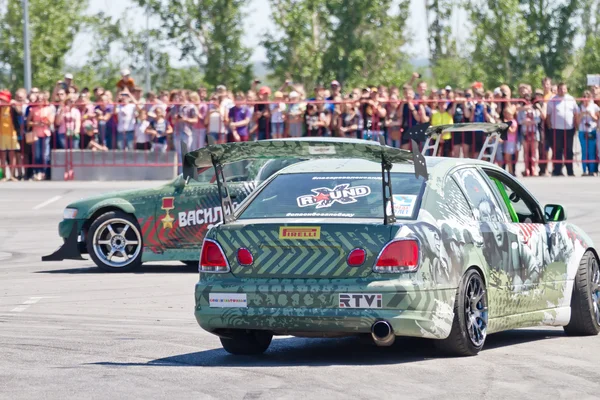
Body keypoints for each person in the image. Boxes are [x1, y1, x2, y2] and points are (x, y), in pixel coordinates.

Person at [546, 83, 580, 176]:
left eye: (564, 89)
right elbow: (548, 115)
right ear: (557, 89)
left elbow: (576, 113)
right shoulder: (552, 100)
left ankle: (570, 171)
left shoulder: (571, 99)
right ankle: (557, 170)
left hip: (569, 129)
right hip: (556, 129)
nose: (562, 91)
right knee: (557, 150)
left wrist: (576, 125)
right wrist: (549, 126)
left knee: (569, 150)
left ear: (566, 89)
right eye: (560, 89)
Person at [27, 92, 54, 180]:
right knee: (37, 155)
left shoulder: (48, 109)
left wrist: (46, 121)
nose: (40, 101)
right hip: (36, 134)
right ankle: (37, 171)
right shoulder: (33, 110)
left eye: (42, 99)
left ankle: (44, 172)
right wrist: (36, 123)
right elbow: (28, 122)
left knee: (45, 155)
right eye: (38, 99)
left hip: (45, 133)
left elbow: (51, 122)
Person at [578, 90, 599, 176]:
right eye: (584, 97)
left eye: (587, 97)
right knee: (584, 151)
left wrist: (591, 114)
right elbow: (577, 121)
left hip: (592, 130)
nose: (586, 99)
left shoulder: (594, 107)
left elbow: (597, 119)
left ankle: (592, 170)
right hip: (582, 130)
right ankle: (584, 170)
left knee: (592, 151)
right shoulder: (579, 107)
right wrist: (582, 115)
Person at [0, 90, 19, 181]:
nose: (2, 101)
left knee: (12, 155)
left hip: (12, 134)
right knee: (3, 155)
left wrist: (15, 104)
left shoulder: (12, 108)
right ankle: (4, 175)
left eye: (3, 99)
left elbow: (20, 112)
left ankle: (12, 175)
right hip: (2, 134)